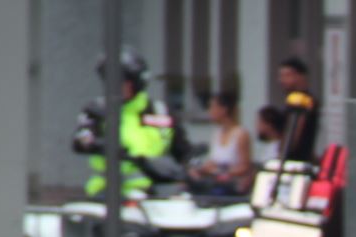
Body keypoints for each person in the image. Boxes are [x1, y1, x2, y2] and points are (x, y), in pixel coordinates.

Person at [72, 48, 186, 199]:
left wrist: (191, 163)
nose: (115, 86)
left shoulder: (160, 111)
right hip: (109, 191)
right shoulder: (98, 109)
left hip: (157, 191)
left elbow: (182, 149)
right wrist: (105, 146)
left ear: (137, 82)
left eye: (122, 81)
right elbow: (81, 141)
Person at [189, 91, 252, 195]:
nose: (210, 111)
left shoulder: (241, 134)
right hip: (215, 184)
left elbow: (245, 167)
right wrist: (201, 169)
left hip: (232, 187)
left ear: (223, 109)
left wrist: (221, 172)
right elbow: (213, 161)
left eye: (212, 107)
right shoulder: (217, 133)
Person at [276, 55, 319, 163]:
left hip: (295, 162)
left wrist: (283, 154)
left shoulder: (301, 101)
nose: (282, 80)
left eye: (287, 75)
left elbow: (294, 134)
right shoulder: (294, 100)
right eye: (281, 76)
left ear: (300, 76)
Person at [253, 105, 284, 169]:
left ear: (269, 125)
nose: (257, 126)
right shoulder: (264, 145)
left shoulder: (279, 147)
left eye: (260, 122)